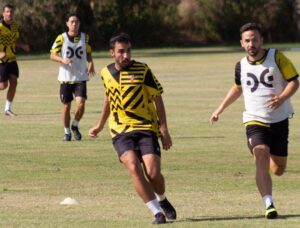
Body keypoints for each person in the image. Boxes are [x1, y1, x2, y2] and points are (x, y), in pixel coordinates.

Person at [210, 22, 299, 219]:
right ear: (242, 43)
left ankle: (266, 165)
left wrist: (282, 98)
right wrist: (220, 109)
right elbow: (237, 88)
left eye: (255, 40)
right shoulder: (240, 65)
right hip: (254, 121)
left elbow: (294, 81)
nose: (252, 44)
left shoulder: (277, 57)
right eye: (247, 41)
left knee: (279, 169)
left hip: (279, 121)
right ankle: (269, 204)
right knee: (261, 153)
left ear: (261, 41)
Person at [89, 33, 176, 224]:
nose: (126, 55)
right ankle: (156, 212)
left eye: (128, 50)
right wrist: (100, 125)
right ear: (112, 53)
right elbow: (108, 98)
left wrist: (164, 129)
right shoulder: (105, 73)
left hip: (146, 128)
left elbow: (157, 98)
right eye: (121, 52)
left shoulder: (143, 70)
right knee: (133, 166)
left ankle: (162, 199)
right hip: (120, 131)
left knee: (153, 174)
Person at [50, 12, 95, 141]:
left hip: (81, 77)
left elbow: (88, 52)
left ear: (79, 24)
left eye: (76, 22)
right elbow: (52, 55)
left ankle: (75, 125)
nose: (74, 24)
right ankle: (67, 132)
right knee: (66, 106)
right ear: (67, 24)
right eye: (72, 22)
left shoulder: (85, 38)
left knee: (81, 103)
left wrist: (91, 63)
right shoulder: (61, 38)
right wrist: (62, 59)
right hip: (66, 78)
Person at [0, 3, 30, 116]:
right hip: (1, 61)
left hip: (12, 59)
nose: (10, 14)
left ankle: (7, 109)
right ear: (3, 13)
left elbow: (14, 41)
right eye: (7, 11)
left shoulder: (15, 26)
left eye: (11, 12)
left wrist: (22, 46)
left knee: (14, 81)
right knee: (3, 86)